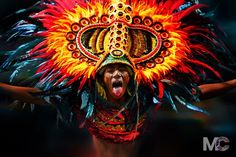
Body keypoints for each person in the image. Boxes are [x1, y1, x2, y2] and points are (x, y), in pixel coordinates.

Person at [0, 0, 236, 157]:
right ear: (101, 75)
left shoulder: (145, 95)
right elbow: (37, 96)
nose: (117, 74)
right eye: (111, 70)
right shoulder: (83, 94)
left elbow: (198, 92)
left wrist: (234, 84)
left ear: (132, 75)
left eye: (122, 70)